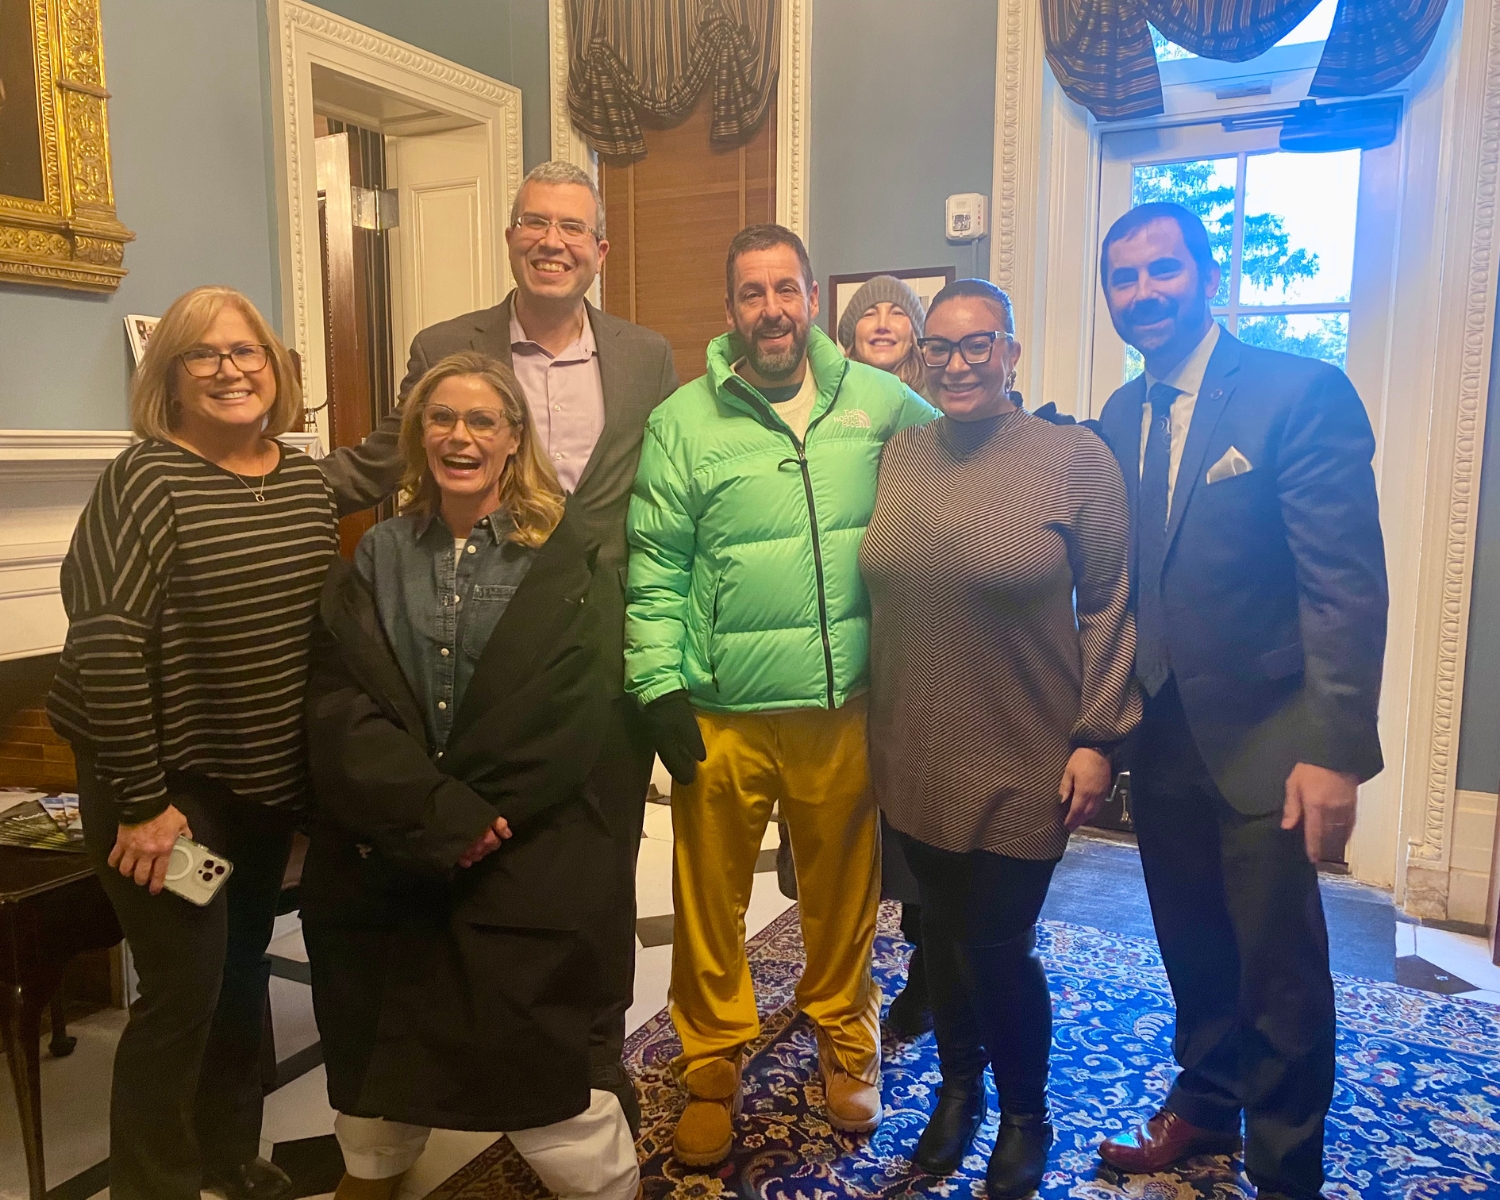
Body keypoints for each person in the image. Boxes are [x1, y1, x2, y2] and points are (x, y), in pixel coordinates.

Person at [320, 159, 678, 1131]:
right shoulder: (451, 343)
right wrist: (282, 486)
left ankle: (595, 1056)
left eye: (572, 227)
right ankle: (463, 1046)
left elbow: (674, 481)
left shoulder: (647, 355)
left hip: (596, 651)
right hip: (485, 650)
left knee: (599, 866)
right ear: (512, 236)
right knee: (490, 851)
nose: (552, 241)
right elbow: (401, 448)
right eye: (535, 223)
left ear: (599, 250)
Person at [1090, 202, 1387, 1200]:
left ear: (1206, 274)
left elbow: (1344, 586)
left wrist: (1335, 746)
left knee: (1282, 974)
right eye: (1124, 279)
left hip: (1273, 741)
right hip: (1161, 736)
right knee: (1193, 949)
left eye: (1162, 270)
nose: (1145, 294)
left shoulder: (1298, 394)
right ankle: (1208, 1106)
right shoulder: (1121, 418)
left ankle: (1288, 1167)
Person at [626, 223, 937, 1166]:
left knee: (843, 898)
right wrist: (656, 682)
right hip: (721, 713)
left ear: (812, 300)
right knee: (707, 903)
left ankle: (848, 1045)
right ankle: (711, 1062)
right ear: (730, 311)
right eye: (752, 293)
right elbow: (654, 565)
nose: (772, 310)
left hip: (843, 711)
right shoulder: (683, 420)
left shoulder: (880, 402)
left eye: (786, 290)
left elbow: (967, 463)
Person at [301, 352, 638, 1200]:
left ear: (512, 438)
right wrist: (431, 811)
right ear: (419, 435)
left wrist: (485, 815)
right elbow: (347, 697)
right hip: (406, 840)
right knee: (385, 1022)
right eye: (440, 418)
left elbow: (573, 704)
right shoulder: (379, 552)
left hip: (525, 840)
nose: (459, 436)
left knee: (534, 1051)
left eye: (481, 420)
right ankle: (376, 1169)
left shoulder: (564, 554)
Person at [46, 287, 338, 1200]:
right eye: (202, 356)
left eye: (246, 352)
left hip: (254, 785)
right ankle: (153, 1184)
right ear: (167, 379)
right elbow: (103, 644)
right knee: (183, 992)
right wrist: (142, 806)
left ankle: (227, 1155)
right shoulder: (144, 480)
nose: (229, 370)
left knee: (240, 975)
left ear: (276, 368)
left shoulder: (298, 480)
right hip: (161, 789)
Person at [861, 278, 1140, 1196]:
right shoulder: (898, 456)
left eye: (978, 344)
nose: (956, 362)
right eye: (939, 347)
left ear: (1012, 353)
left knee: (996, 940)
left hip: (1024, 751)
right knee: (937, 931)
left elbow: (1108, 605)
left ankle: (1026, 1112)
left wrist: (1098, 735)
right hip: (912, 747)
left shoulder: (1074, 458)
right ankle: (958, 1092)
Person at [838, 272, 932, 1037]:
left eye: (896, 309)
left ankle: (929, 973)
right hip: (844, 631)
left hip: (925, 639)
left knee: (924, 828)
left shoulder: (945, 410)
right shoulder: (828, 405)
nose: (881, 318)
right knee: (845, 829)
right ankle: (839, 981)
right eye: (867, 310)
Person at [837, 273, 930, 397]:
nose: (882, 325)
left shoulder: (939, 401)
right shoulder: (829, 397)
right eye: (869, 314)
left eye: (897, 313)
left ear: (914, 335)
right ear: (853, 335)